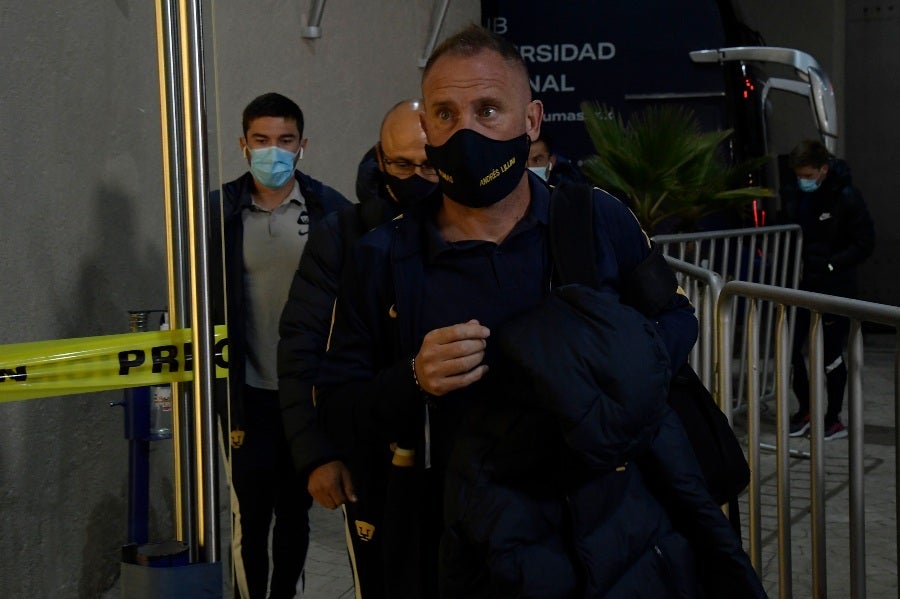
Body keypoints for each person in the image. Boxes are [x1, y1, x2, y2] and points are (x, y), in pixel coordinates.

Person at [316, 25, 763, 598]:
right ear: (425, 127)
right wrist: (413, 380)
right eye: (446, 114)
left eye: (488, 109)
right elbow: (338, 406)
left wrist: (599, 363)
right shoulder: (382, 258)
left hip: (617, 534)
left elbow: (677, 320)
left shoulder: (598, 220)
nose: (467, 130)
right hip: (473, 550)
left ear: (530, 122)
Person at [277, 99, 439, 598]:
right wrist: (317, 455)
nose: (416, 177)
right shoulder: (344, 236)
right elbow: (303, 346)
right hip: (375, 459)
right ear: (379, 157)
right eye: (401, 165)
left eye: (429, 165)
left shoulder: (470, 227)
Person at [210, 92, 351, 599]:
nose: (274, 151)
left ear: (303, 145)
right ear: (243, 146)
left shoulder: (331, 211)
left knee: (295, 512)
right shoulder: (218, 214)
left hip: (305, 394)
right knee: (250, 515)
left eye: (285, 141)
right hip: (245, 393)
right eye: (262, 140)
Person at [781, 139, 875, 440]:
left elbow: (864, 242)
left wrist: (832, 265)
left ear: (823, 169)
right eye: (799, 175)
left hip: (835, 288)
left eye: (808, 175)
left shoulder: (846, 196)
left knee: (830, 355)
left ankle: (832, 418)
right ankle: (806, 410)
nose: (802, 181)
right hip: (801, 286)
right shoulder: (796, 194)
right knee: (793, 349)